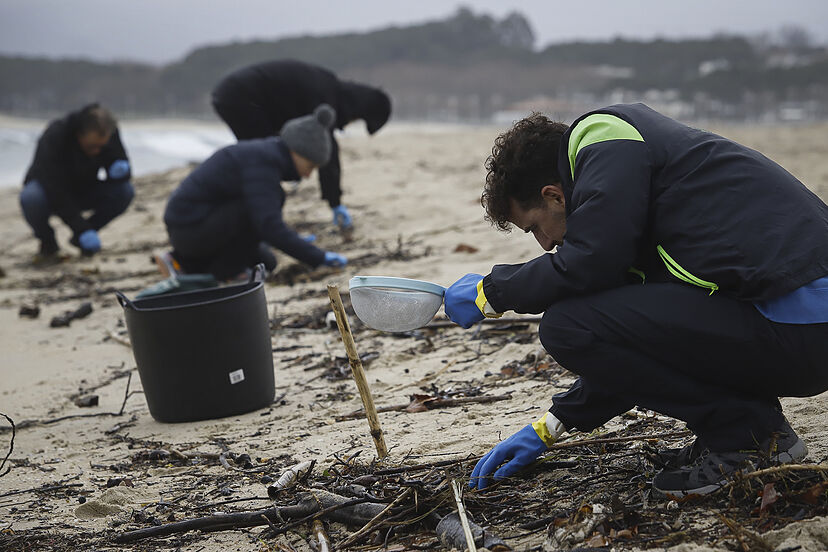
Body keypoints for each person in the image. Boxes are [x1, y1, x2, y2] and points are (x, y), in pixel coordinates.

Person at [444, 103, 828, 498]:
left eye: (534, 229)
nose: (545, 244)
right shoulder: (638, 201)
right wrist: (549, 427)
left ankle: (748, 439)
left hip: (802, 321)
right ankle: (761, 434)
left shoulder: (604, 139)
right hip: (798, 331)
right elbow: (638, 342)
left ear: (554, 196)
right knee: (583, 321)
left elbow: (590, 262)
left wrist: (493, 291)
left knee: (564, 325)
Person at [160, 104, 348, 283]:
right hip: (187, 229)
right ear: (296, 151)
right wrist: (318, 257)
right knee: (255, 213)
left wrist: (294, 241)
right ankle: (216, 272)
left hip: (199, 225)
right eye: (310, 166)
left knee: (267, 262)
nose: (308, 175)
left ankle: (183, 264)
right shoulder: (262, 163)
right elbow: (268, 225)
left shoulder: (266, 155)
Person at [211, 59, 392, 231]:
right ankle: (258, 227)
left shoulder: (326, 86)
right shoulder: (324, 94)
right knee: (262, 165)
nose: (349, 123)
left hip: (235, 94)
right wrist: (335, 202)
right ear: (359, 109)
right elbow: (327, 151)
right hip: (240, 96)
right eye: (356, 120)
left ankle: (255, 223)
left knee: (263, 164)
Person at [20, 103, 134, 261]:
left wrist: (121, 170)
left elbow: (119, 162)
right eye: (92, 146)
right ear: (79, 134)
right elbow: (54, 189)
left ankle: (81, 238)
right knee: (31, 198)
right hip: (50, 191)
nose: (97, 152)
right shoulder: (55, 135)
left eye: (102, 147)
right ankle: (48, 242)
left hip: (86, 188)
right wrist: (82, 228)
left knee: (125, 191)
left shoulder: (109, 132)